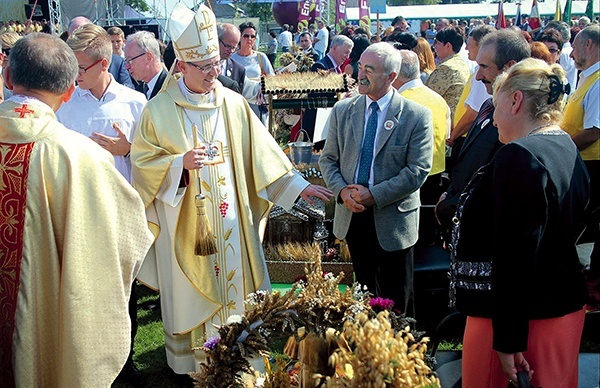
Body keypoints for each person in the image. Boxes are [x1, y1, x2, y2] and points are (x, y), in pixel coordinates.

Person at [131, 4, 332, 377]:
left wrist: (299, 186)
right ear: (182, 66)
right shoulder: (156, 112)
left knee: (238, 296)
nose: (214, 73)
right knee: (193, 293)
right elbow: (142, 165)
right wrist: (178, 164)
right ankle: (196, 366)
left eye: (215, 64)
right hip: (186, 226)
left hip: (232, 221)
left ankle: (241, 358)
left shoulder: (234, 104)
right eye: (204, 67)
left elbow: (262, 156)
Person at [0, 32, 153, 387]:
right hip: (42, 317)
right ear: (69, 91)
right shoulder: (81, 157)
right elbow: (126, 241)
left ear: (7, 76)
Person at [450, 57, 589, 388]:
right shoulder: (563, 144)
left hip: (519, 320)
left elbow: (516, 252)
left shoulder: (521, 155)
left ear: (515, 101)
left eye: (494, 105)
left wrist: (508, 340)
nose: (493, 119)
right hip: (557, 307)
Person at [319, 42, 434, 316]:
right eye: (360, 66)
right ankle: (367, 351)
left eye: (370, 69)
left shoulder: (416, 116)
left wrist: (375, 194)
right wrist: (342, 192)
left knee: (397, 302)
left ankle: (400, 353)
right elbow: (328, 160)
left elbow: (417, 170)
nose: (361, 74)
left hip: (393, 219)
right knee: (364, 295)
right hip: (353, 216)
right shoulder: (343, 110)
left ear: (391, 77)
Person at [435, 29, 531, 231]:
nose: (478, 76)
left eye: (484, 67)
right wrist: (449, 195)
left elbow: (494, 186)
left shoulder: (518, 123)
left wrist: (450, 205)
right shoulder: (489, 107)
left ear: (509, 67)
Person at [57, 24, 147, 183]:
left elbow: (154, 158)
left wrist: (128, 150)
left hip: (124, 198)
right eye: (72, 68)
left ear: (104, 64)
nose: (75, 75)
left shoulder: (136, 102)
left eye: (81, 68)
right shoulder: (63, 104)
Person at [561, 24, 599, 295]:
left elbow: (594, 131)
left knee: (583, 229)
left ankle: (588, 287)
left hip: (591, 167)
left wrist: (558, 147)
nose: (571, 52)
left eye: (575, 45)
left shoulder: (598, 81)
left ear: (589, 45)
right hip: (581, 163)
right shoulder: (586, 77)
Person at [393, 49, 451, 206]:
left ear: (394, 73)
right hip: (435, 172)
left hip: (406, 177)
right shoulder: (438, 99)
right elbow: (446, 135)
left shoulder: (398, 102)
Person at [68, 16, 134, 89]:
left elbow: (128, 86)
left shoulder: (130, 99)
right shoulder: (68, 99)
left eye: (82, 68)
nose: (76, 74)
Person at [231, 21, 273, 122]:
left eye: (252, 36)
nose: (249, 39)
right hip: (238, 103)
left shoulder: (261, 57)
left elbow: (271, 79)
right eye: (246, 36)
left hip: (258, 104)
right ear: (239, 37)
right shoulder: (232, 58)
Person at [426, 26, 470, 121]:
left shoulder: (446, 68)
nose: (434, 46)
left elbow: (427, 98)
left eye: (437, 43)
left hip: (445, 123)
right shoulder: (461, 62)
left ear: (448, 46)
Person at [124, 30, 167, 100]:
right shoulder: (138, 93)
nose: (127, 66)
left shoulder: (172, 89)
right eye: (126, 61)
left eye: (130, 60)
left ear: (148, 57)